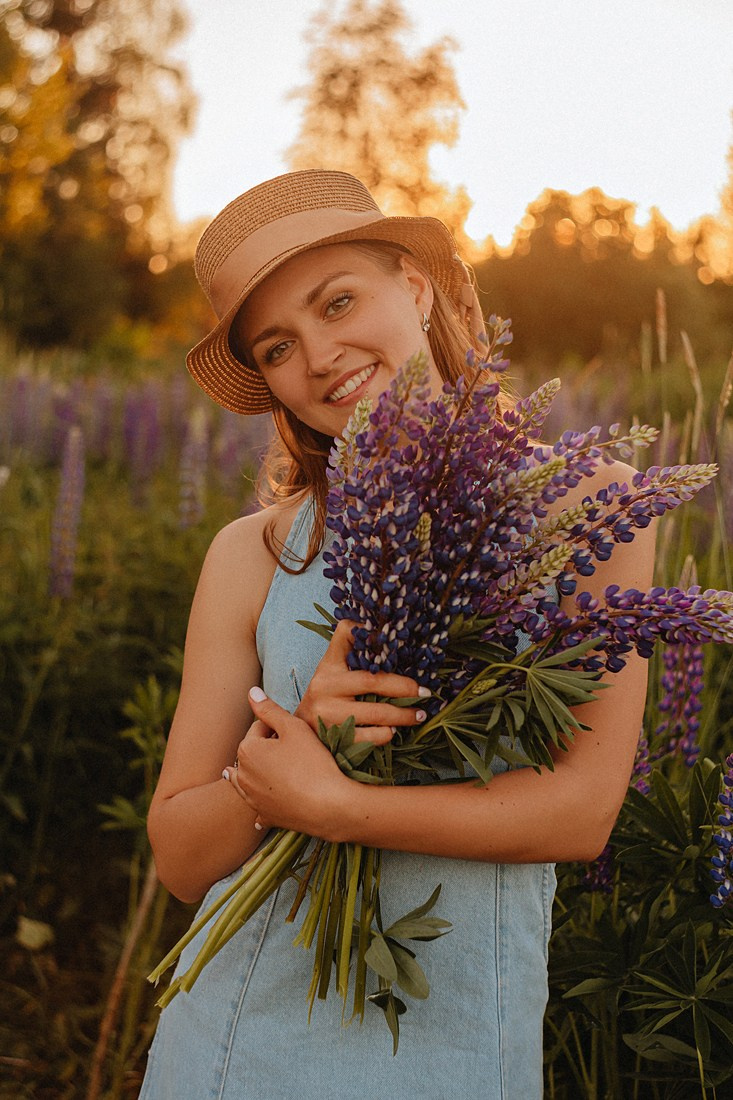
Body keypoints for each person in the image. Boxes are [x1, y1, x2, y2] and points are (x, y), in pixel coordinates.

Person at [140, 170, 655, 1099]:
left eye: (339, 301)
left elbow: (581, 815)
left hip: (458, 1034)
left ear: (413, 288)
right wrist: (290, 751)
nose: (322, 354)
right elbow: (178, 856)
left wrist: (336, 804)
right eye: (278, 346)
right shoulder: (254, 553)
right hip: (237, 1046)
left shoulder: (594, 508)